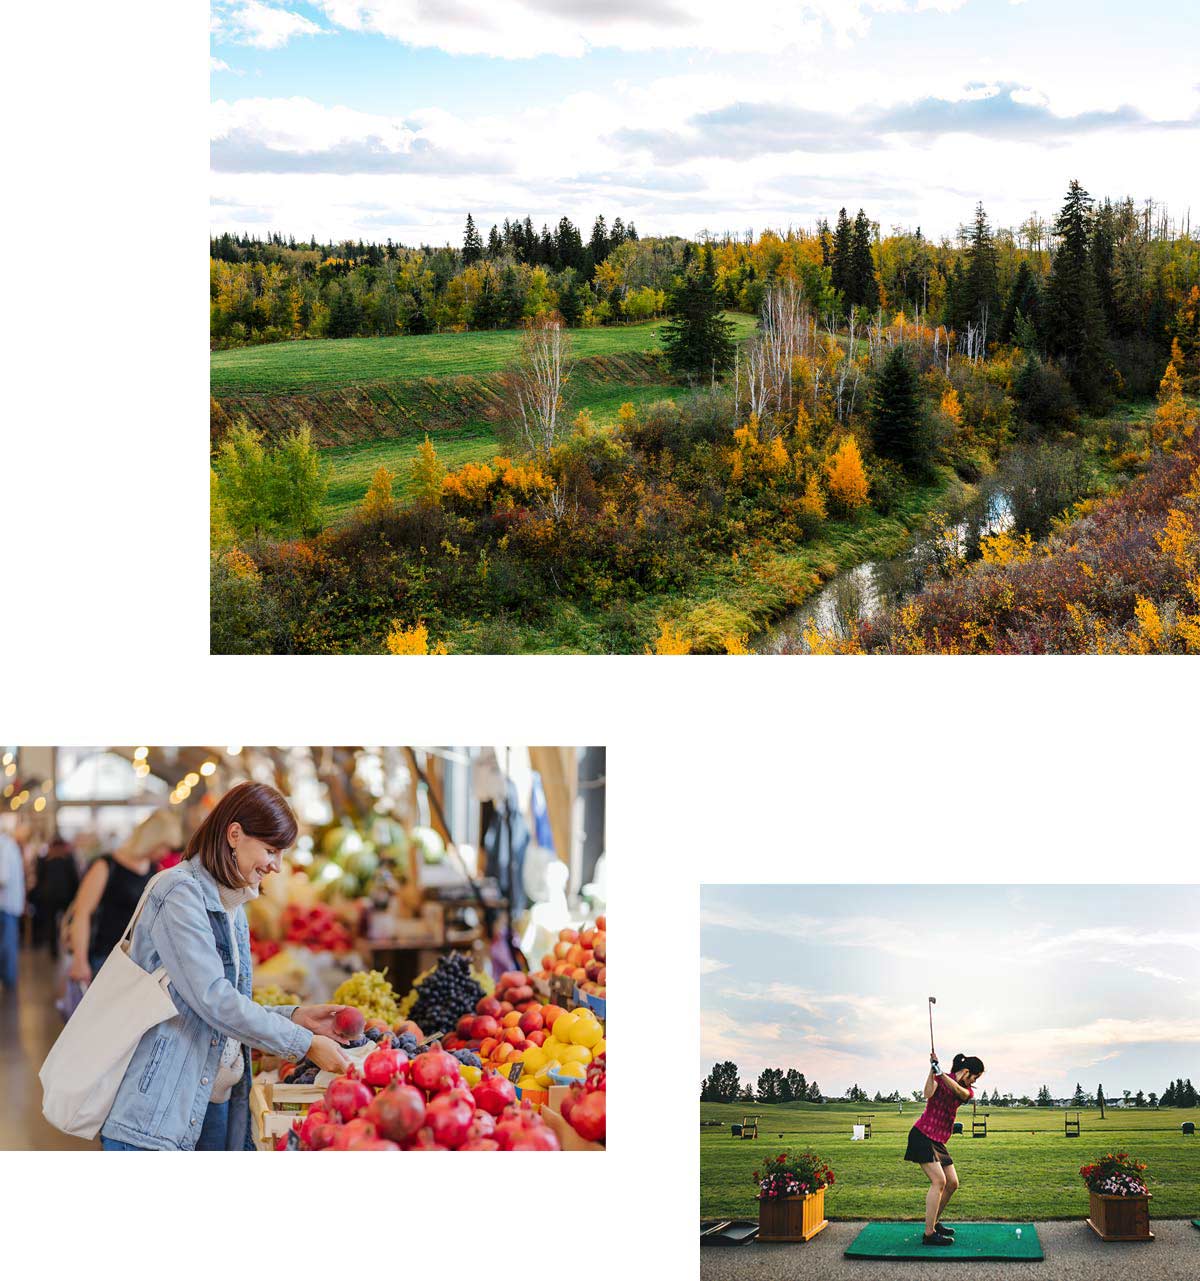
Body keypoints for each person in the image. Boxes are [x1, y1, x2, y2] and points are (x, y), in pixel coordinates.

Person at [97, 781, 354, 1151]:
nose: (277, 866)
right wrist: (302, 1044)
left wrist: (295, 1017)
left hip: (210, 1100)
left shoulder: (231, 903)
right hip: (157, 1112)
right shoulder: (179, 894)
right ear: (235, 834)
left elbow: (216, 1007)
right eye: (270, 850)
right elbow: (212, 999)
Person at [67, 809, 180, 983]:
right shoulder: (106, 865)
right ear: (152, 840)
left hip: (138, 962)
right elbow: (81, 913)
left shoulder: (153, 870)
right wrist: (80, 960)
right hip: (105, 957)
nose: (165, 853)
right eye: (164, 846)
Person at [903, 1052, 985, 1246]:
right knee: (939, 1181)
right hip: (922, 1134)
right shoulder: (941, 1077)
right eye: (974, 1077)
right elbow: (927, 1094)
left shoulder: (966, 1090)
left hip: (938, 1140)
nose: (974, 1081)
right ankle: (929, 1234)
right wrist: (932, 1071)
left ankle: (934, 1222)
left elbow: (960, 1093)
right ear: (966, 1071)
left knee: (952, 1183)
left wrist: (941, 1075)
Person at [33, 833, 79, 959]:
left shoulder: (44, 860)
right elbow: (75, 879)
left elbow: (39, 878)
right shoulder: (68, 859)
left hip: (49, 896)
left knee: (51, 923)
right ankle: (69, 945)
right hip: (66, 896)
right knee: (68, 922)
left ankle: (54, 950)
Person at [0, 823, 26, 993]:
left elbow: (3, 878)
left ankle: (9, 983)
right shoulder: (8, 845)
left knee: (7, 947)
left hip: (5, 906)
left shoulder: (4, 847)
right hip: (9, 905)